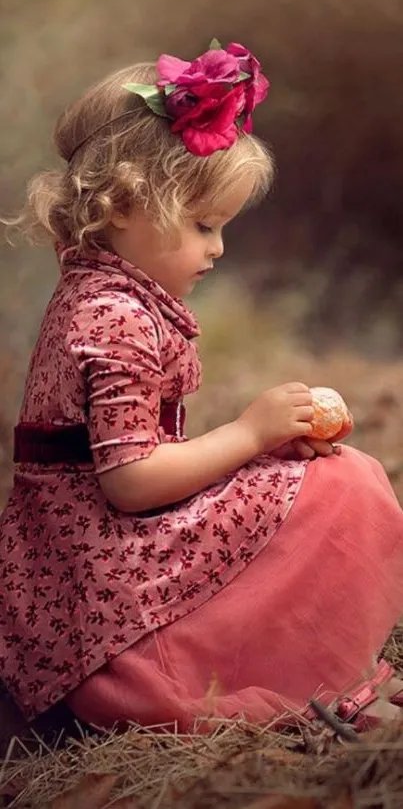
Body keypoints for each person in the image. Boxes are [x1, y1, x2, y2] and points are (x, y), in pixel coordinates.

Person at [1, 40, 403, 737]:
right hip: (105, 578)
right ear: (125, 203)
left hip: (88, 561)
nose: (216, 249)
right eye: (203, 226)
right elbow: (130, 481)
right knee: (347, 489)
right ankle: (259, 662)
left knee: (313, 477)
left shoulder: (102, 293)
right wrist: (248, 433)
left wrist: (262, 447)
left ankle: (278, 643)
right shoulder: (113, 316)